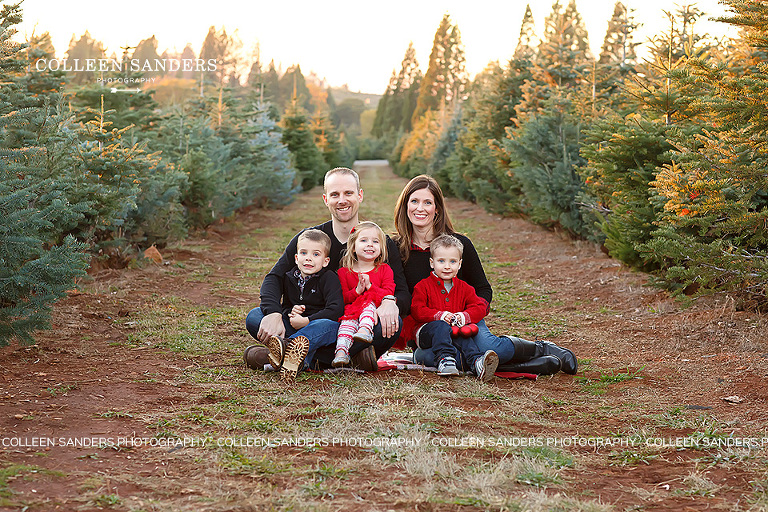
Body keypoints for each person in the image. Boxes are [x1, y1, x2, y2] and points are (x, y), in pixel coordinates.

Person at [393, 174, 577, 375]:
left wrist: (467, 315)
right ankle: (526, 366)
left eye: (427, 202)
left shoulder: (458, 244)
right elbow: (401, 297)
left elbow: (483, 289)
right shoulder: (396, 249)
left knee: (492, 348)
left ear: (437, 209)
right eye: (414, 201)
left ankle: (540, 349)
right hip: (429, 327)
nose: (420, 208)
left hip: (463, 318)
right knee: (436, 357)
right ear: (405, 205)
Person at [245, 167, 410, 372]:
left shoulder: (378, 243)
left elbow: (402, 291)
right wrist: (273, 313)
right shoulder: (310, 240)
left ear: (360, 195)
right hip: (305, 321)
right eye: (335, 194)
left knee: (392, 325)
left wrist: (390, 301)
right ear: (325, 199)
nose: (342, 200)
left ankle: (287, 353)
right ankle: (349, 356)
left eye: (348, 193)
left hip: (354, 324)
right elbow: (275, 277)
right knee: (255, 317)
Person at [247, 229, 344, 384]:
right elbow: (285, 306)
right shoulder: (289, 277)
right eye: (304, 253)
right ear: (296, 257)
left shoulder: (329, 278)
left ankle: (281, 351)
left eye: (316, 254)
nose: (308, 259)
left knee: (328, 326)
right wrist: (290, 313)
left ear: (326, 261)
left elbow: (336, 309)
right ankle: (295, 359)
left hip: (318, 327)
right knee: (254, 316)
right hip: (294, 327)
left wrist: (307, 320)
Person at [410, 234, 499, 380]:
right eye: (441, 261)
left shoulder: (465, 288)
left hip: (453, 330)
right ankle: (444, 360)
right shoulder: (423, 286)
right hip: (426, 332)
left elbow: (479, 306)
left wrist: (463, 316)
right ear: (432, 263)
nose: (447, 266)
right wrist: (439, 315)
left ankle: (477, 362)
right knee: (441, 327)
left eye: (452, 261)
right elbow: (417, 310)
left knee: (463, 335)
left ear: (460, 264)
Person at [333, 221, 396, 367]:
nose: (370, 244)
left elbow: (388, 294)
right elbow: (342, 298)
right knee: (345, 327)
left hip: (374, 316)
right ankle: (341, 353)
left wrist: (370, 287)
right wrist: (357, 291)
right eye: (364, 240)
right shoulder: (344, 272)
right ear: (353, 247)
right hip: (351, 312)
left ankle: (364, 330)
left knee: (368, 304)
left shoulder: (384, 269)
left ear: (381, 248)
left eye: (375, 241)